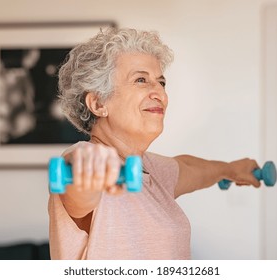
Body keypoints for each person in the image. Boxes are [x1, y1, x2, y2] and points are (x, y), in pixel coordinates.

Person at [48, 27, 261, 260]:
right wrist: (87, 171)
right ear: (98, 103)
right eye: (141, 80)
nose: (159, 92)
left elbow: (190, 167)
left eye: (161, 82)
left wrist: (232, 170)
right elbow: (79, 183)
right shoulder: (88, 160)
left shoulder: (151, 169)